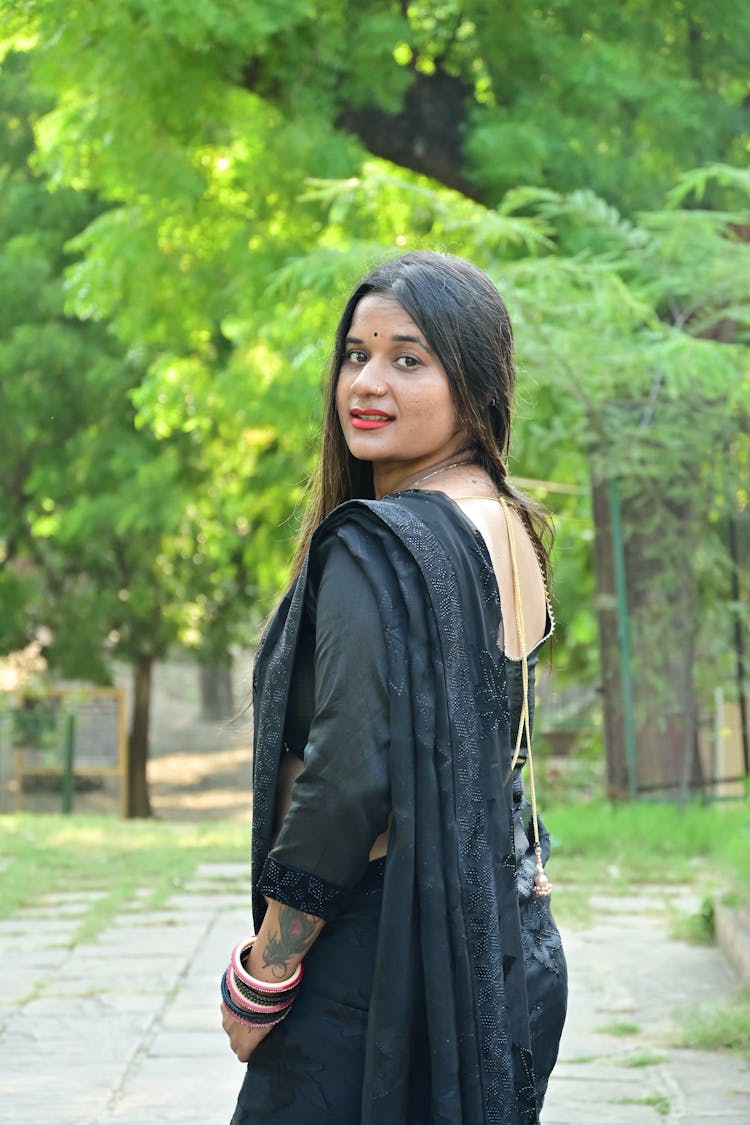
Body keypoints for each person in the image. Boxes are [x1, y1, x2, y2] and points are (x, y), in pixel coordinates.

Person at [221, 251, 567, 1124]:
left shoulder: (380, 544)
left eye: (409, 358)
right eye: (355, 353)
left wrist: (265, 973)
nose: (367, 383)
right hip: (495, 945)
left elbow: (347, 782)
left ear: (475, 381)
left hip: (371, 966)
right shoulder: (507, 523)